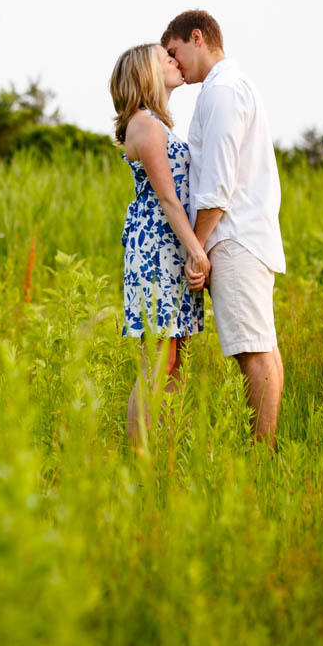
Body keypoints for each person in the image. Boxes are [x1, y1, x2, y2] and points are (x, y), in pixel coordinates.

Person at [161, 10, 286, 448]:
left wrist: (196, 247)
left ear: (198, 38)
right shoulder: (230, 87)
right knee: (261, 347)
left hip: (233, 239)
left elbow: (216, 188)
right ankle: (263, 452)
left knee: (253, 352)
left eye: (175, 53)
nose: (175, 65)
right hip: (244, 235)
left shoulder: (223, 91)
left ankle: (261, 455)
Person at [110, 43, 211, 449]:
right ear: (145, 72)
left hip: (167, 247)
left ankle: (163, 454)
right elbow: (167, 197)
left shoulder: (154, 123)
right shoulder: (145, 124)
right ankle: (139, 462)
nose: (174, 60)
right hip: (157, 249)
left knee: (173, 362)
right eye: (163, 57)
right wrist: (197, 251)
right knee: (157, 362)